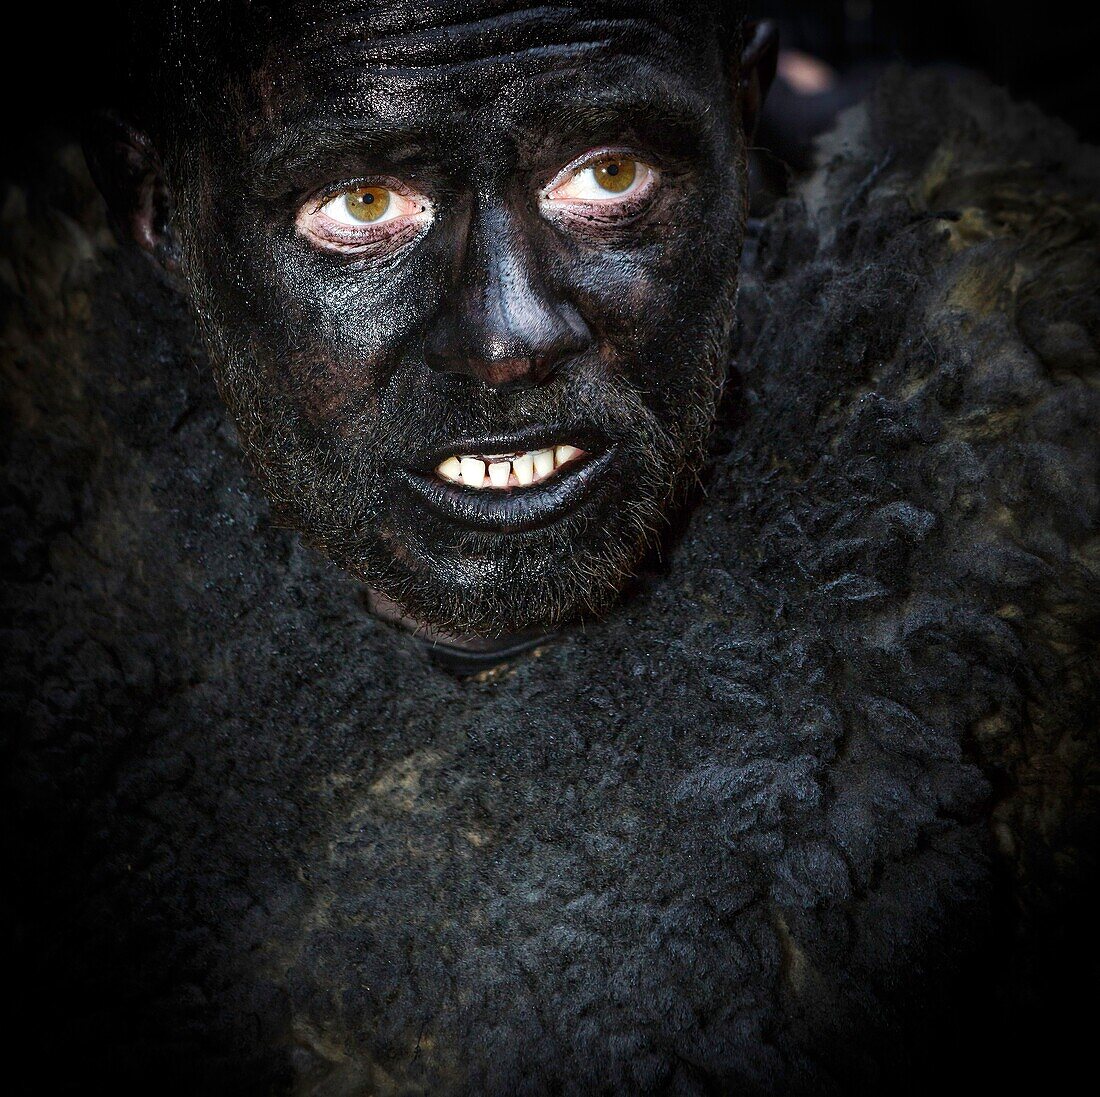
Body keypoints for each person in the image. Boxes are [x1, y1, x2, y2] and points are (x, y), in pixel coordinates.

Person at [2, 2, 1097, 1093]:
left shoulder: (1010, 629)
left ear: (737, 120)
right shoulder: (70, 719)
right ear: (160, 210)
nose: (506, 335)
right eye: (362, 202)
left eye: (607, 175)